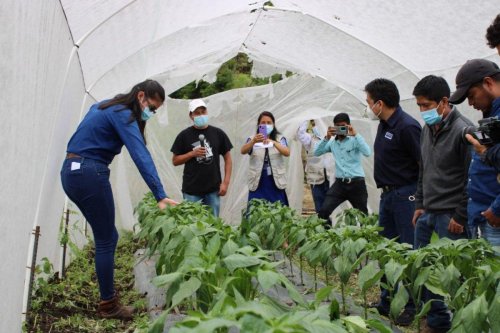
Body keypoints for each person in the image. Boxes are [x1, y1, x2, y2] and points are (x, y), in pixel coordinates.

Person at [60, 79, 177, 319]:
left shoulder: (104, 106)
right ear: (141, 95)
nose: (151, 113)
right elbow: (140, 155)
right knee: (107, 238)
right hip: (90, 172)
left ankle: (108, 298)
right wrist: (160, 194)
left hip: (71, 171)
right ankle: (109, 305)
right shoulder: (123, 113)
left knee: (105, 236)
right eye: (152, 108)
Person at [412, 75, 472, 332]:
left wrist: (460, 214)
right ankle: (437, 322)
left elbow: (472, 176)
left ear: (444, 102)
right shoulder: (427, 129)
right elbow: (423, 168)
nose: (423, 111)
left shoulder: (463, 131)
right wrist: (420, 203)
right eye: (420, 107)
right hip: (428, 212)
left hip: (451, 216)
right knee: (425, 270)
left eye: (426, 105)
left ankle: (462, 323)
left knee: (455, 274)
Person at [365, 78, 422, 325]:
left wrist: (419, 198)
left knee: (408, 251)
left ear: (380, 103)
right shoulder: (384, 124)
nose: (367, 107)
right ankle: (387, 301)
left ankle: (410, 306)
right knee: (386, 251)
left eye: (368, 102)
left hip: (405, 195)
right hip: (388, 195)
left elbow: (423, 164)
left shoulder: (407, 126)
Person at [449, 59, 500, 245]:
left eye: (471, 95)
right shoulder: (492, 119)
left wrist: (497, 209)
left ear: (488, 83)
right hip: (483, 218)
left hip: (495, 219)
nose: (470, 103)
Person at [171, 99, 233, 217]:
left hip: (213, 190)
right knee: (191, 225)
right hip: (191, 191)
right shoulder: (184, 135)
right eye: (197, 113)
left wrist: (225, 183)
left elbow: (228, 159)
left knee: (213, 225)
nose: (201, 115)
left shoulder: (218, 133)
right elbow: (175, 161)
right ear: (191, 116)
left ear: (207, 112)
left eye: (203, 112)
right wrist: (191, 154)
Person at [314, 113, 371, 226]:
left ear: (349, 126)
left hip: (357, 183)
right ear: (334, 127)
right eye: (337, 126)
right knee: (324, 211)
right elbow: (317, 152)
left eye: (343, 126)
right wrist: (326, 138)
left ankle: (366, 241)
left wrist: (356, 134)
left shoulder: (355, 140)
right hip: (340, 184)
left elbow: (367, 152)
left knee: (362, 216)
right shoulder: (332, 143)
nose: (340, 129)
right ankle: (328, 236)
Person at [241, 111, 290, 205]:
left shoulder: (280, 138)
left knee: (277, 211)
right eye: (263, 122)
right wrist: (253, 142)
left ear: (273, 124)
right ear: (258, 125)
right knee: (256, 211)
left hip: (275, 181)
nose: (266, 125)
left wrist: (273, 142)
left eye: (269, 123)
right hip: (258, 181)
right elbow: (243, 151)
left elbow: (287, 152)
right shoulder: (252, 139)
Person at [296, 119, 333, 213]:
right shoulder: (311, 139)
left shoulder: (334, 138)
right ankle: (324, 226)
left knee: (332, 206)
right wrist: (306, 117)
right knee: (320, 206)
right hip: (316, 178)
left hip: (331, 177)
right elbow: (300, 133)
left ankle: (332, 225)